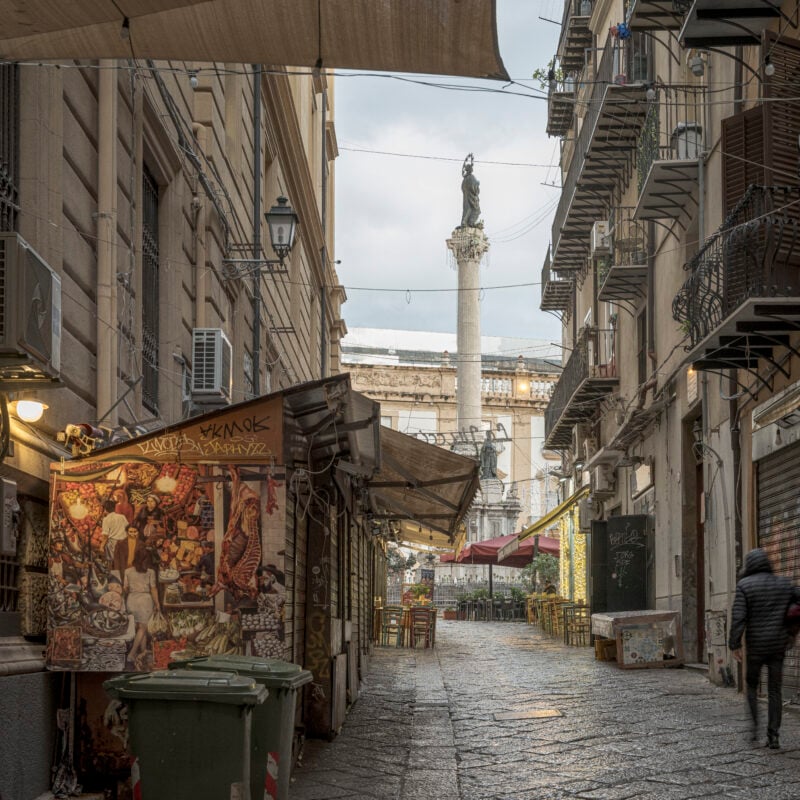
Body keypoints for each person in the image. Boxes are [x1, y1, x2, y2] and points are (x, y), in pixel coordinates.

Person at [729, 547, 800, 749]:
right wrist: (791, 627)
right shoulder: (783, 583)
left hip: (756, 646)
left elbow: (738, 617)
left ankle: (754, 730)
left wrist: (734, 644)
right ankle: (774, 735)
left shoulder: (745, 585)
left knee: (751, 686)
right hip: (778, 645)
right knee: (775, 690)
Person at [124, 547, 160, 670]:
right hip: (145, 601)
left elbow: (126, 588)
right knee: (143, 628)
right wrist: (157, 604)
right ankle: (132, 654)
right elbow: (153, 589)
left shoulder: (128, 571)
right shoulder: (150, 572)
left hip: (132, 601)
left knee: (140, 628)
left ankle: (143, 652)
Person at [460, 155, 481, 228]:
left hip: (466, 197)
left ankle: (465, 222)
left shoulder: (464, 180)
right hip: (471, 198)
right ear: (470, 170)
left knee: (466, 209)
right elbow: (474, 189)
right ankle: (471, 223)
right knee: (477, 210)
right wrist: (477, 184)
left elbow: (462, 188)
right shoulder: (472, 177)